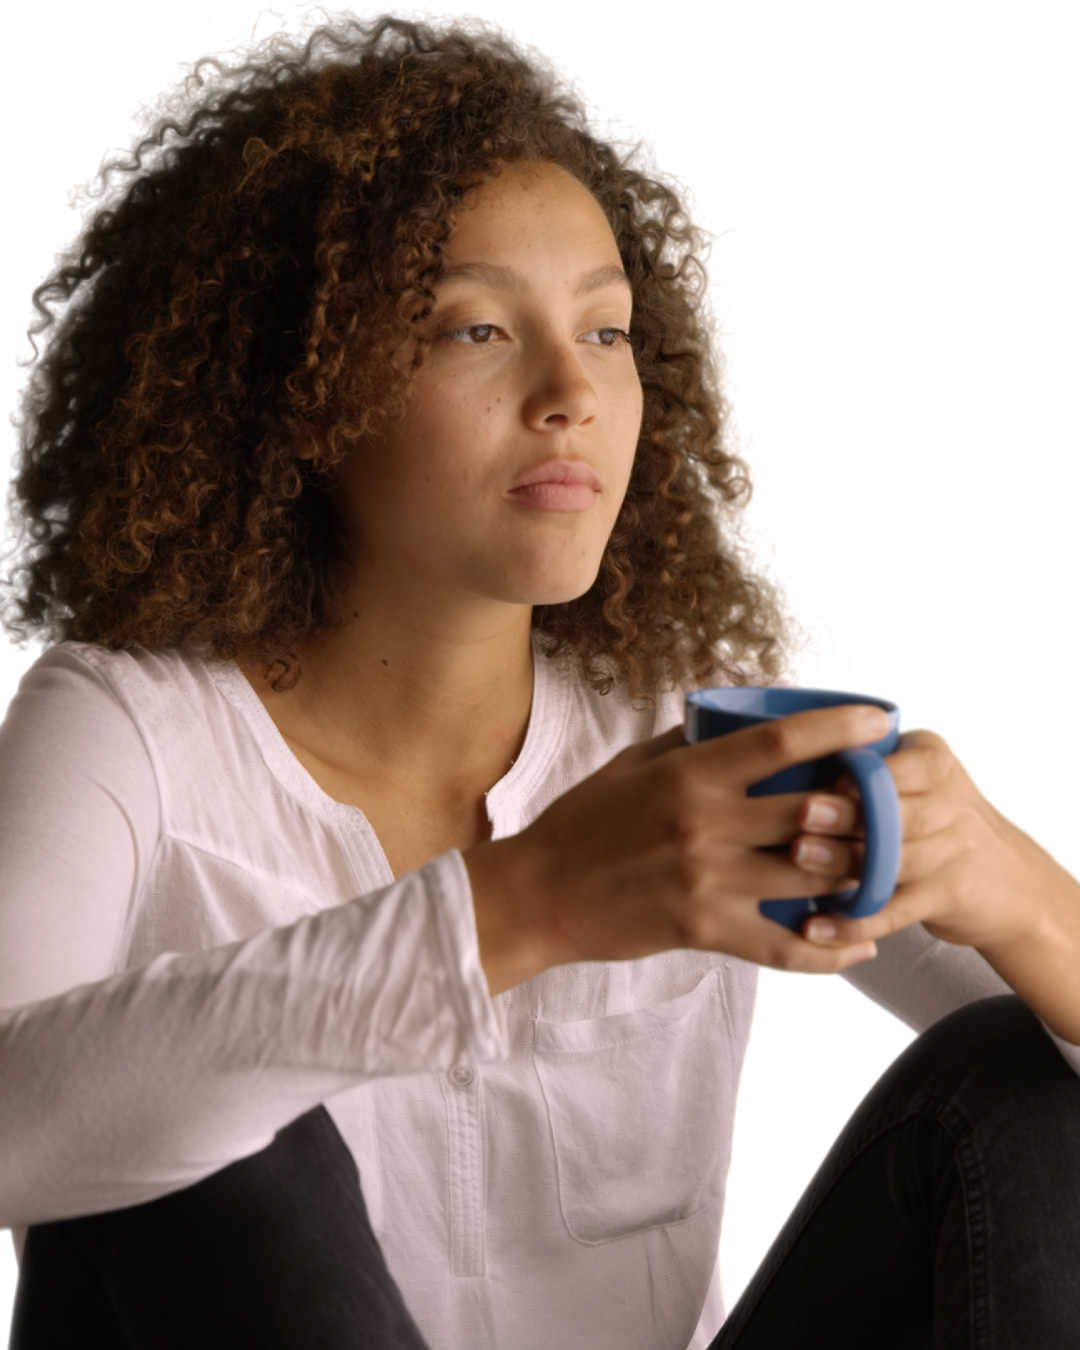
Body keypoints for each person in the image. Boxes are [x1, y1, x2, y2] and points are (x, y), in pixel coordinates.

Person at [2, 13, 1080, 1348]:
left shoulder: (689, 730)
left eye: (610, 331)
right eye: (474, 331)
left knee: (1029, 1078)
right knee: (206, 1132)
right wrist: (526, 903)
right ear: (302, 382)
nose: (572, 389)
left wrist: (1018, 893)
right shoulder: (123, 727)